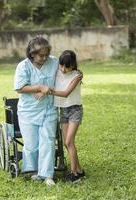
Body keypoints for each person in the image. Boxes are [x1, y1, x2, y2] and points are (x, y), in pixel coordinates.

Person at [13, 36, 59, 186]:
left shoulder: (54, 62)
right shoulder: (23, 66)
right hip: (28, 111)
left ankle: (47, 175)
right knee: (32, 144)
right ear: (32, 53)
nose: (45, 58)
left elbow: (66, 73)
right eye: (41, 55)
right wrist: (39, 87)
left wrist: (77, 74)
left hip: (48, 108)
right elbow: (20, 87)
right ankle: (35, 171)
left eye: (46, 54)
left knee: (48, 141)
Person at [51, 50, 85, 183]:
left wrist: (48, 91)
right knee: (66, 143)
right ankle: (80, 170)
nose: (64, 69)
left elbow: (65, 93)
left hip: (75, 110)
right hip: (63, 110)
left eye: (67, 67)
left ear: (73, 65)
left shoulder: (76, 76)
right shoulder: (57, 70)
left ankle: (74, 173)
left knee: (69, 141)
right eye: (61, 65)